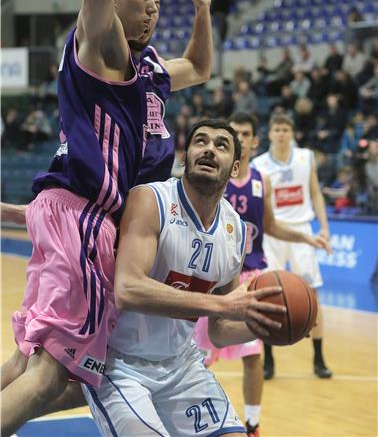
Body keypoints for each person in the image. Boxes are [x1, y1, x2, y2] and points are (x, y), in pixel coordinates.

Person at [0, 0, 204, 434]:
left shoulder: (118, 59)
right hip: (85, 219)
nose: (148, 6)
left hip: (71, 214)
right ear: (116, 8)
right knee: (51, 375)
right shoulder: (100, 51)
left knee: (34, 362)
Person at [82, 118, 288, 436]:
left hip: (182, 365)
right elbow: (128, 289)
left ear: (235, 168)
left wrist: (266, 326)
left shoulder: (234, 230)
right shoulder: (151, 200)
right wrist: (220, 305)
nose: (209, 149)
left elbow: (219, 332)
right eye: (200, 141)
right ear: (185, 156)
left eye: (221, 145)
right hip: (119, 364)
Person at [193, 113, 331, 437]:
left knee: (252, 354)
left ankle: (252, 423)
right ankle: (192, 416)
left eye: (245, 133)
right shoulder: (214, 177)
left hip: (251, 277)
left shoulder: (261, 180)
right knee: (197, 356)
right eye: (235, 132)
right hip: (214, 278)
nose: (240, 137)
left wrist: (305, 236)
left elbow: (270, 224)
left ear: (255, 141)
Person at [253, 113, 333, 380]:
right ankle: (269, 361)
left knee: (313, 296)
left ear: (292, 132)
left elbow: (315, 193)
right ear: (270, 133)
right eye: (277, 129)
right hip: (273, 233)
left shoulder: (305, 157)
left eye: (286, 128)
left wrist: (324, 227)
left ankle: (319, 359)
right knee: (266, 297)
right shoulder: (259, 164)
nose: (281, 133)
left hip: (301, 233)